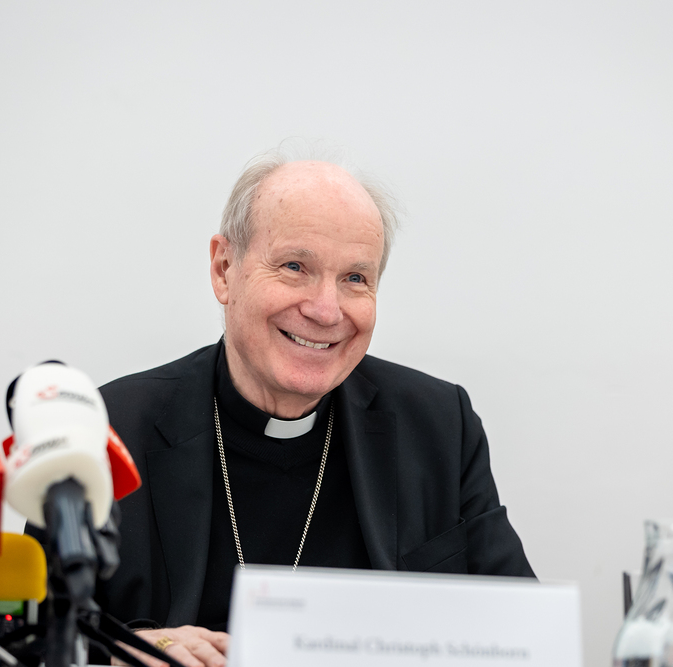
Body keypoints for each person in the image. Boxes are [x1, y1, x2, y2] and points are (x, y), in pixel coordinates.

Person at [98, 150, 535, 667]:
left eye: (355, 278)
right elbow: (32, 636)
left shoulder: (439, 425)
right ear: (224, 269)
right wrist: (122, 651)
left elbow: (523, 634)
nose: (326, 311)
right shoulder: (109, 429)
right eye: (294, 267)